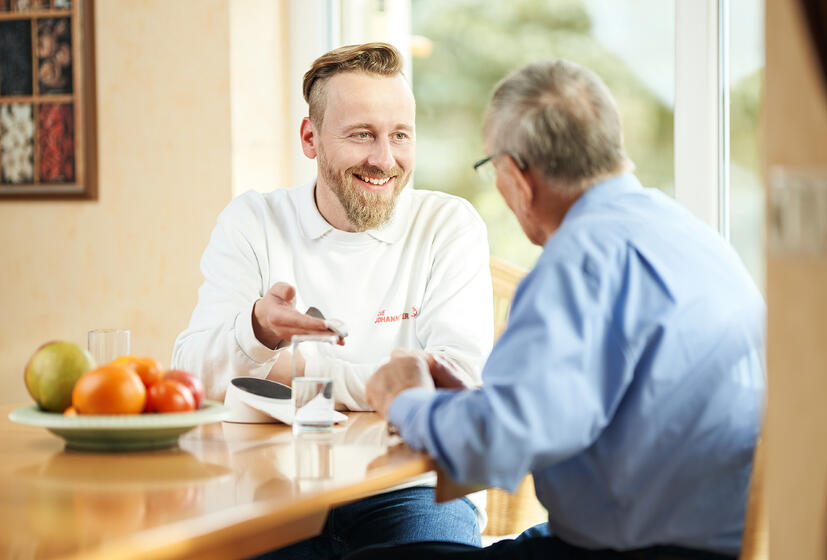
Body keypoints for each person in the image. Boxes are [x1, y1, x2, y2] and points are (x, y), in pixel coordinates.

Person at [360, 59, 766, 560]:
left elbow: (500, 448)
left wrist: (404, 400)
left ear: (515, 176)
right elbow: (578, 413)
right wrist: (479, 404)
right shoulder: (694, 237)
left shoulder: (577, 263)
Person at [172, 43, 493, 557]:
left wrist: (299, 372)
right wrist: (257, 329)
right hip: (276, 493)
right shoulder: (253, 221)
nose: (384, 159)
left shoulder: (447, 226)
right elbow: (190, 377)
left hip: (411, 493)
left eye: (400, 136)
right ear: (310, 138)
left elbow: (456, 384)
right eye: (362, 134)